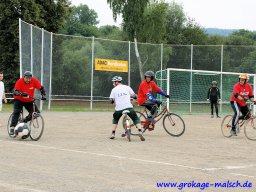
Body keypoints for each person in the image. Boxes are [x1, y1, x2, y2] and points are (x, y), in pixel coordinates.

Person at [9, 71, 46, 136]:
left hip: (29, 100)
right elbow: (15, 91)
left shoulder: (34, 81)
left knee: (36, 113)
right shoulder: (20, 81)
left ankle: (25, 120)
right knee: (17, 112)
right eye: (27, 78)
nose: (28, 80)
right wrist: (21, 94)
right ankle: (12, 127)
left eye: (29, 78)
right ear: (24, 77)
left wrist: (43, 95)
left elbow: (41, 88)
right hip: (19, 99)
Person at [109, 76, 145, 141]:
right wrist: (132, 104)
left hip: (119, 109)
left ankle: (113, 133)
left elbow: (111, 100)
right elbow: (135, 96)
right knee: (135, 118)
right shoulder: (127, 87)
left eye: (113, 82)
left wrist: (113, 102)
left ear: (116, 82)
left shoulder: (113, 90)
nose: (113, 84)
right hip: (129, 107)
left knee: (115, 119)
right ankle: (140, 131)